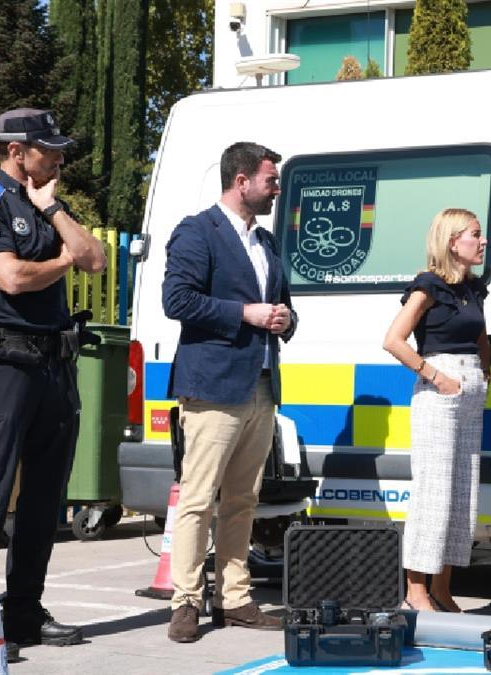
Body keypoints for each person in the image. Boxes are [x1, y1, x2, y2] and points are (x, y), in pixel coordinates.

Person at [0, 108, 106, 660]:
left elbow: (96, 259)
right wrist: (63, 259)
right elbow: (9, 276)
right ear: (16, 151)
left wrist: (53, 210)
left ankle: (24, 613)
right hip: (6, 367)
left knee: (43, 503)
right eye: (48, 149)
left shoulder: (46, 202)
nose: (57, 158)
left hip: (56, 368)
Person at [162, 141, 297, 642]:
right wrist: (245, 314)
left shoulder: (266, 242)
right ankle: (186, 602)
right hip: (214, 386)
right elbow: (177, 299)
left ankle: (235, 598)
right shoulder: (198, 231)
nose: (276, 188)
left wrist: (284, 320)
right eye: (271, 179)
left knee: (244, 499)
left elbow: (283, 305)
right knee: (198, 499)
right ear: (241, 182)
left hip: (260, 385)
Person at [383, 208, 491, 612]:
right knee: (434, 492)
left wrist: (484, 364)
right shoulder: (428, 287)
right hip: (440, 389)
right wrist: (436, 376)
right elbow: (393, 340)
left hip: (471, 390)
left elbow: (478, 334)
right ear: (452, 241)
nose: (482, 242)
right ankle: (415, 592)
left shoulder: (473, 288)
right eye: (474, 235)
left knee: (462, 492)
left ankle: (443, 588)